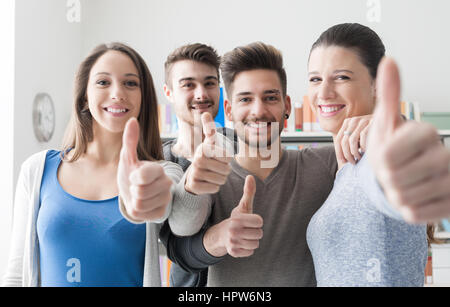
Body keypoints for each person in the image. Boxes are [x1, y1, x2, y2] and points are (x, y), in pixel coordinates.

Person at [2, 42, 183, 287]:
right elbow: (16, 274)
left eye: (130, 83)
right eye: (103, 82)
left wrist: (154, 194)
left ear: (144, 99)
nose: (118, 92)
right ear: (84, 97)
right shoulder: (36, 169)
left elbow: (174, 207)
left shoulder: (162, 172)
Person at [168, 42, 339, 286]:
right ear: (228, 110)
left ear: (287, 105)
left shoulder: (324, 164)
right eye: (246, 99)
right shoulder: (210, 173)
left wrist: (373, 123)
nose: (259, 110)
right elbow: (182, 227)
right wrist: (193, 187)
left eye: (270, 97)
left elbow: (395, 145)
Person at [306, 23, 450, 286]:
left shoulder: (375, 156)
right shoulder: (348, 167)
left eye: (342, 77)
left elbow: (391, 177)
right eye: (315, 79)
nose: (323, 93)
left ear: (377, 85)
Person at [158, 43, 237, 287]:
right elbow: (174, 245)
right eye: (188, 84)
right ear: (168, 92)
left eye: (210, 83)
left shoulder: (242, 147)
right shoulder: (159, 162)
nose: (201, 94)